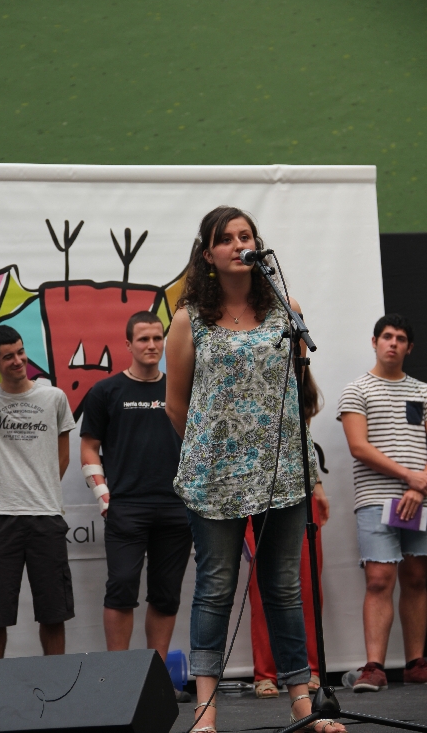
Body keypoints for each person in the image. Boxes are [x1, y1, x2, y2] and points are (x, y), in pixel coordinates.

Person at [165, 206, 346, 733]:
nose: (238, 244)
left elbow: (298, 395)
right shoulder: (188, 319)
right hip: (213, 479)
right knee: (215, 588)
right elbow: (177, 404)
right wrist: (217, 449)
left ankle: (302, 703)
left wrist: (307, 471)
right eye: (226, 238)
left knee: (283, 587)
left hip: (282, 474)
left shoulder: (286, 311)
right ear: (208, 254)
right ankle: (205, 712)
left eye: (246, 235)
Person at [80, 311, 193, 702]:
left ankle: (155, 682)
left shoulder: (182, 388)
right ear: (128, 344)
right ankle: (118, 680)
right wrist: (103, 495)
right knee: (121, 587)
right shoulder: (106, 392)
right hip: (126, 506)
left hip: (176, 507)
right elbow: (88, 447)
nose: (152, 345)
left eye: (158, 338)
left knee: (166, 594)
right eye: (143, 339)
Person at [0, 325, 76, 659]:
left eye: (20, 352)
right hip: (0, 518)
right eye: (8, 357)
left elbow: (63, 456)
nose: (18, 361)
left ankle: (56, 682)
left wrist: (43, 490)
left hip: (46, 517)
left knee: (53, 612)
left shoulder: (53, 397)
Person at [338, 313, 427, 691]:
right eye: (387, 336)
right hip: (376, 499)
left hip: (419, 499)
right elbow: (359, 447)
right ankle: (373, 667)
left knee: (417, 577)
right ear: (374, 342)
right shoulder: (356, 390)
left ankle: (415, 663)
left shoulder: (423, 392)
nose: (393, 343)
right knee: (378, 580)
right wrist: (410, 477)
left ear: (409, 347)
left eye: (400, 338)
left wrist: (419, 486)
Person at [246, 366, 329, 699]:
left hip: (297, 489)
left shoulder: (298, 375)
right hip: (252, 490)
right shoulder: (245, 376)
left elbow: (302, 437)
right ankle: (265, 673)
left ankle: (310, 669)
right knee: (261, 585)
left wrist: (317, 484)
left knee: (307, 583)